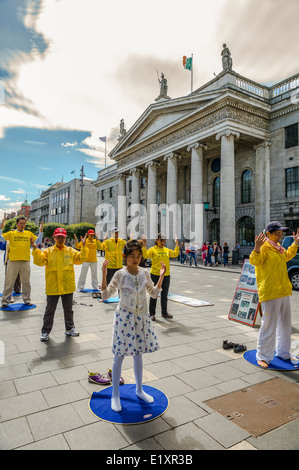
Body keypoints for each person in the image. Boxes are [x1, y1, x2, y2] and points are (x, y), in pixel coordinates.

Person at [101, 239, 166, 412]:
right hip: (125, 318)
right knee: (119, 355)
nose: (136, 259)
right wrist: (104, 272)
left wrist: (160, 276)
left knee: (138, 354)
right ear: (125, 256)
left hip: (141, 318)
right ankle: (115, 394)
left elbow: (153, 294)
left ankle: (139, 389)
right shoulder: (120, 275)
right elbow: (106, 295)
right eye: (132, 256)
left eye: (138, 256)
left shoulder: (144, 273)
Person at [249, 221, 299, 368]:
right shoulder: (264, 247)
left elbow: (287, 256)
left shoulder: (278, 249)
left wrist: (295, 243)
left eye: (280, 233)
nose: (280, 235)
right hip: (270, 291)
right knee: (268, 325)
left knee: (285, 325)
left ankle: (283, 352)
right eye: (277, 233)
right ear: (268, 234)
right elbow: (255, 261)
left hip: (283, 291)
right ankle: (263, 356)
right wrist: (256, 248)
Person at [31, 227, 88, 342]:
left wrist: (84, 247)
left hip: (67, 286)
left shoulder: (70, 251)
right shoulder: (48, 251)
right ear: (54, 237)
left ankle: (70, 328)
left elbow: (80, 259)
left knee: (68, 310)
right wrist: (36, 251)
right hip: (53, 286)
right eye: (58, 237)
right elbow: (39, 262)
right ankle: (45, 332)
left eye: (62, 237)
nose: (60, 239)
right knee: (49, 310)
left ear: (65, 238)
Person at [0, 217, 43, 308]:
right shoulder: (11, 233)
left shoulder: (28, 233)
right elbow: (1, 239)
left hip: (25, 261)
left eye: (24, 223)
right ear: (17, 224)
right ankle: (5, 301)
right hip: (13, 261)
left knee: (26, 282)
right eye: (20, 223)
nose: (22, 225)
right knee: (9, 282)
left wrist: (41, 232)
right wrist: (1, 228)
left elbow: (38, 241)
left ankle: (27, 299)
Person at [141, 233, 179, 320]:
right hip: (155, 274)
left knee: (164, 294)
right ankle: (152, 314)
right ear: (156, 240)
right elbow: (145, 255)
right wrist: (144, 244)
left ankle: (164, 312)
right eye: (161, 240)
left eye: (164, 241)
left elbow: (175, 254)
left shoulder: (167, 250)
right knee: (153, 294)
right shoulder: (152, 250)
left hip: (166, 275)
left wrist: (176, 244)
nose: (163, 242)